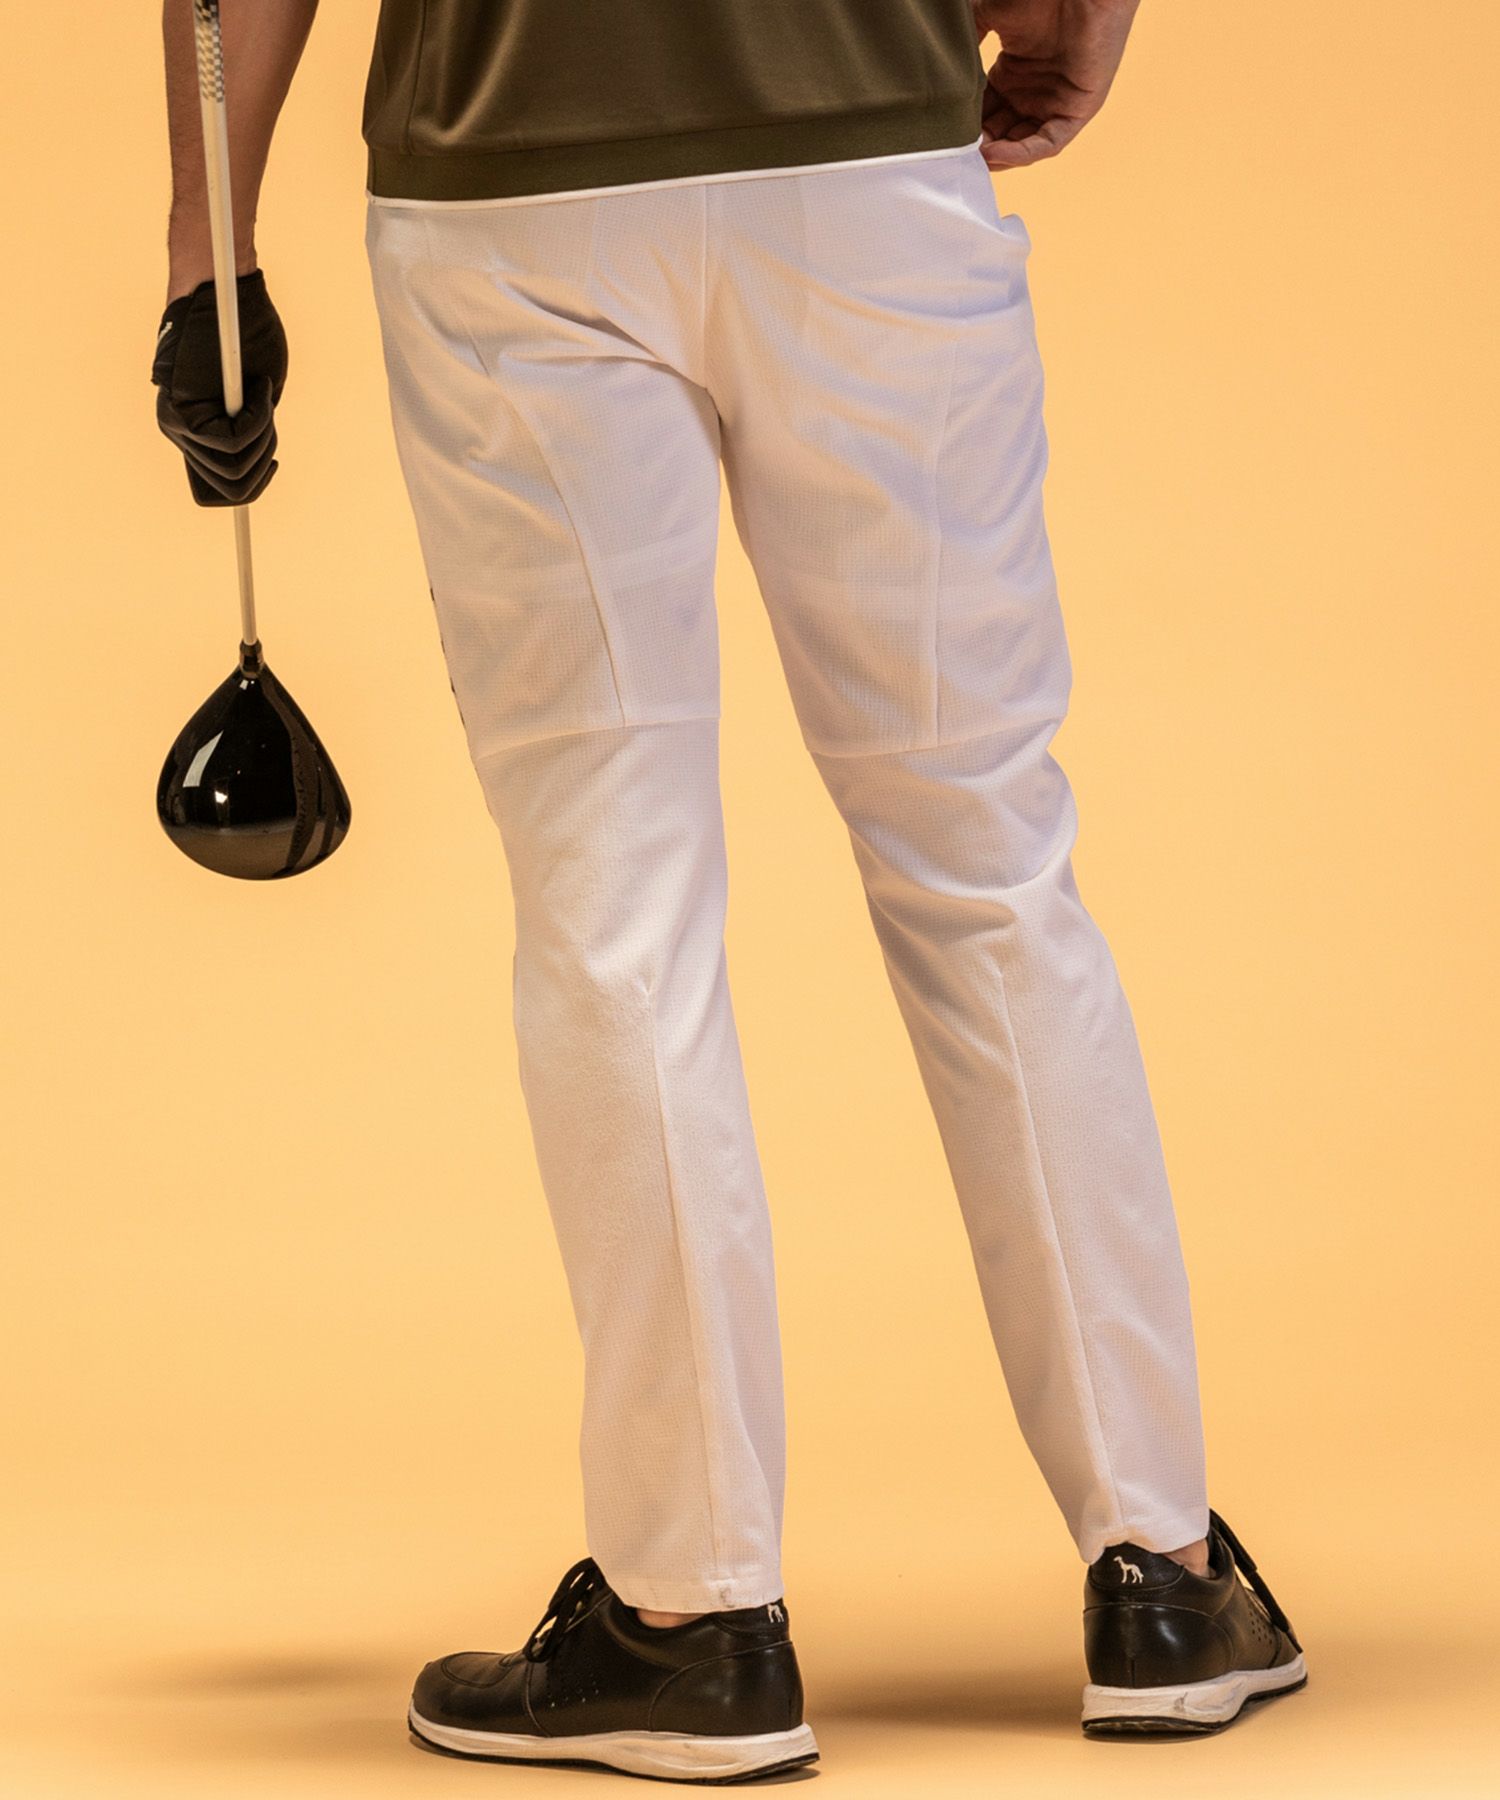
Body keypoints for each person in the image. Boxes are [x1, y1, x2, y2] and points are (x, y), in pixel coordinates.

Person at [152, 0, 1306, 1778]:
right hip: (860, 151)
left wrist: (207, 249)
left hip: (509, 186)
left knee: (612, 898)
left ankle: (692, 1624)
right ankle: (1160, 1573)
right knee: (986, 861)